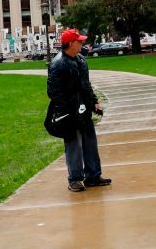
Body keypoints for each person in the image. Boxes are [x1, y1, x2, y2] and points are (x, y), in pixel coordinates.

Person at [47, 29, 112, 192]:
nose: (82, 44)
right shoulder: (58, 64)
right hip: (68, 112)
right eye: (80, 41)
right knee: (73, 145)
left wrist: (94, 102)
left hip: (84, 108)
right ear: (71, 44)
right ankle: (75, 179)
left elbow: (86, 85)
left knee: (90, 142)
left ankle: (93, 176)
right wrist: (65, 112)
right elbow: (54, 92)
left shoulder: (81, 60)